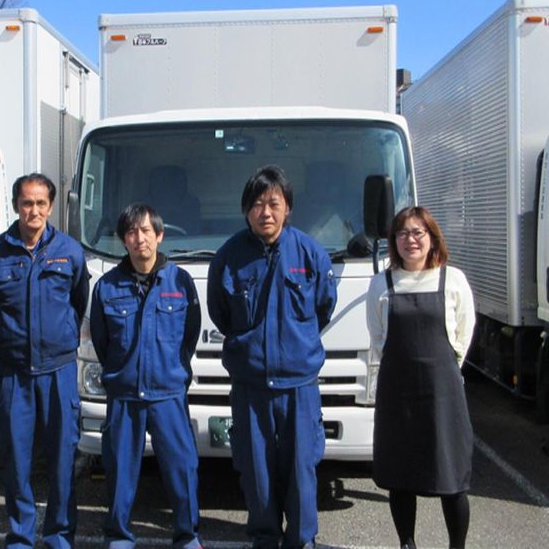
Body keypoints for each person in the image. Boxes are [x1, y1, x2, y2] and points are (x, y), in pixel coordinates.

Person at [207, 165, 337, 549]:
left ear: (287, 208)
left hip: (299, 388)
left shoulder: (310, 254)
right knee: (256, 471)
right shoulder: (229, 258)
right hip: (251, 387)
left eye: (273, 203)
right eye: (257, 204)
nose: (265, 212)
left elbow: (324, 308)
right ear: (246, 210)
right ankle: (264, 540)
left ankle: (301, 542)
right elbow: (221, 313)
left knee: (301, 471)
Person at [0, 173, 89, 548]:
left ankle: (59, 535)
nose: (34, 211)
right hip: (14, 374)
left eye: (41, 203)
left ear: (51, 206)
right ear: (15, 206)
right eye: (27, 203)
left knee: (62, 459)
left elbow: (79, 301)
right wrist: (6, 347)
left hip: (58, 371)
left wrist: (60, 339)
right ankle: (21, 536)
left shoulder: (70, 251)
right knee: (16, 459)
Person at [90, 204, 203, 549]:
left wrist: (170, 370)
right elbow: (102, 341)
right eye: (131, 232)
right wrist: (124, 371)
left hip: (168, 393)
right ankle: (119, 536)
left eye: (146, 231)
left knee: (182, 468)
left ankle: (187, 536)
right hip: (125, 395)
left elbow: (189, 336)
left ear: (159, 236)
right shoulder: (107, 287)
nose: (140, 238)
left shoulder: (180, 282)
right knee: (120, 470)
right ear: (124, 240)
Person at [366, 206, 475, 549]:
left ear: (432, 238)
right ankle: (407, 543)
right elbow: (378, 336)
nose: (410, 240)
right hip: (397, 392)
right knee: (400, 475)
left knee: (452, 478)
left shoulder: (452, 279)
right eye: (402, 233)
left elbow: (464, 331)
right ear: (393, 241)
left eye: (417, 232)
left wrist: (446, 367)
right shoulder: (381, 283)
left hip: (443, 392)